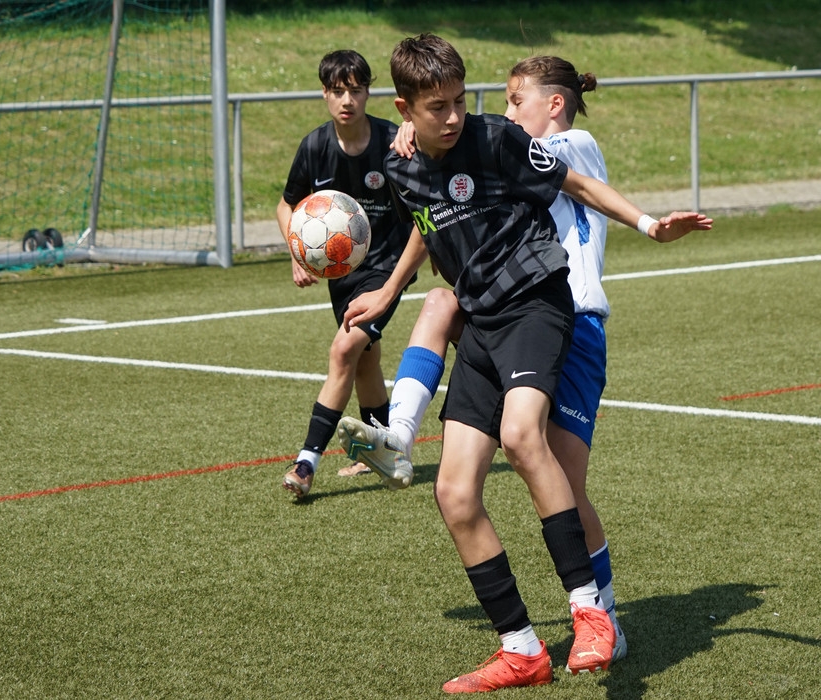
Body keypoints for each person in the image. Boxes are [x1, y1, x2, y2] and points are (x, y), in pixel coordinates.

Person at [335, 35, 712, 693]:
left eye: (461, 101)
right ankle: (521, 649)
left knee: (522, 436)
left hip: (540, 303)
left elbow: (575, 180)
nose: (455, 116)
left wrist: (651, 225)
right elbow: (428, 220)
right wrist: (388, 290)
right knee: (455, 492)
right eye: (438, 107)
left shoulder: (502, 138)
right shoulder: (404, 163)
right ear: (405, 109)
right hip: (484, 321)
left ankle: (592, 613)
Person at [276, 49, 414, 498]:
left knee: (344, 350)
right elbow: (286, 205)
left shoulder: (393, 141)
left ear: (368, 92)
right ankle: (383, 452)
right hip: (343, 274)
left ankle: (306, 462)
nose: (347, 100)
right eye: (337, 91)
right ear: (325, 94)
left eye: (355, 90)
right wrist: (298, 252)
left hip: (388, 267)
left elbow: (425, 197)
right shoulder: (315, 146)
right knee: (364, 358)